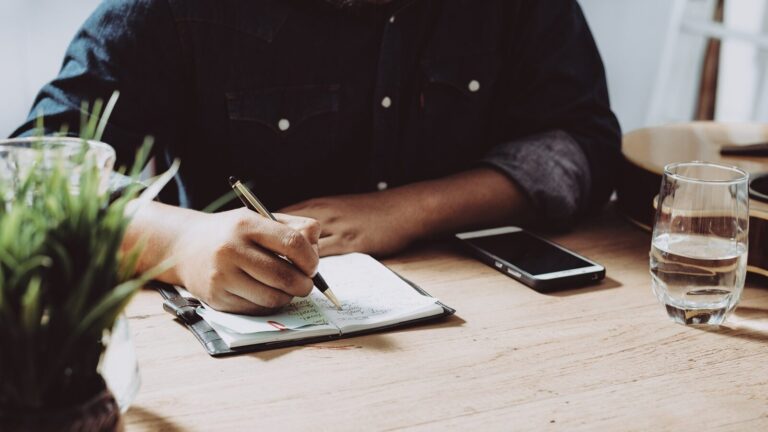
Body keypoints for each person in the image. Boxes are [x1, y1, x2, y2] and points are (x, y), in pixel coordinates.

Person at [13, 0, 621, 314]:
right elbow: (29, 182)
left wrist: (403, 212)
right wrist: (176, 244)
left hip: (492, 337)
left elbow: (582, 143)